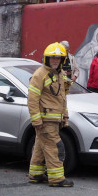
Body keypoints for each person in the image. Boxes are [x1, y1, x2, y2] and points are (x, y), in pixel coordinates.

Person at [28, 43, 73, 188]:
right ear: (46, 59)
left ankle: (35, 174)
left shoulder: (59, 74)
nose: (55, 61)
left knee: (41, 146)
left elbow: (61, 97)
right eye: (52, 58)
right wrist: (36, 120)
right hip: (45, 120)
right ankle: (56, 178)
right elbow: (32, 99)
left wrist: (65, 115)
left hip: (54, 118)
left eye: (58, 58)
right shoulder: (39, 74)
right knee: (54, 146)